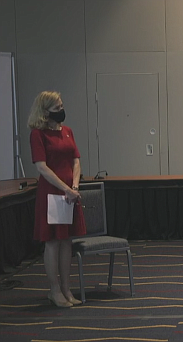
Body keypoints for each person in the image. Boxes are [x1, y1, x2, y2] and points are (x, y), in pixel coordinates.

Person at [28, 91, 86, 307]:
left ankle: (66, 289)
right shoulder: (38, 134)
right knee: (53, 242)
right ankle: (54, 290)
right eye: (56, 108)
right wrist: (65, 189)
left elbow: (76, 160)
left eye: (62, 105)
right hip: (51, 194)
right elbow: (42, 167)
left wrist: (74, 187)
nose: (61, 110)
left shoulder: (68, 131)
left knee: (66, 241)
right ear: (45, 111)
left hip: (69, 194)